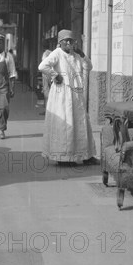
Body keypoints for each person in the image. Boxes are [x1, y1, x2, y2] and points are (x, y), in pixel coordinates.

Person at [38, 29, 97, 165]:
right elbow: (42, 66)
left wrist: (82, 54)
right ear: (60, 42)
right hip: (62, 95)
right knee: (65, 124)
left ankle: (86, 155)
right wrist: (54, 75)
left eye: (71, 40)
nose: (69, 43)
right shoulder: (57, 53)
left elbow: (89, 66)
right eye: (66, 41)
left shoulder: (76, 55)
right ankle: (64, 158)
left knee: (80, 123)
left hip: (76, 94)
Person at [41, 40, 52, 110]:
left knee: (46, 92)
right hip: (50, 74)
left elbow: (44, 65)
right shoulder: (51, 52)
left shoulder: (45, 54)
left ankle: (47, 109)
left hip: (46, 75)